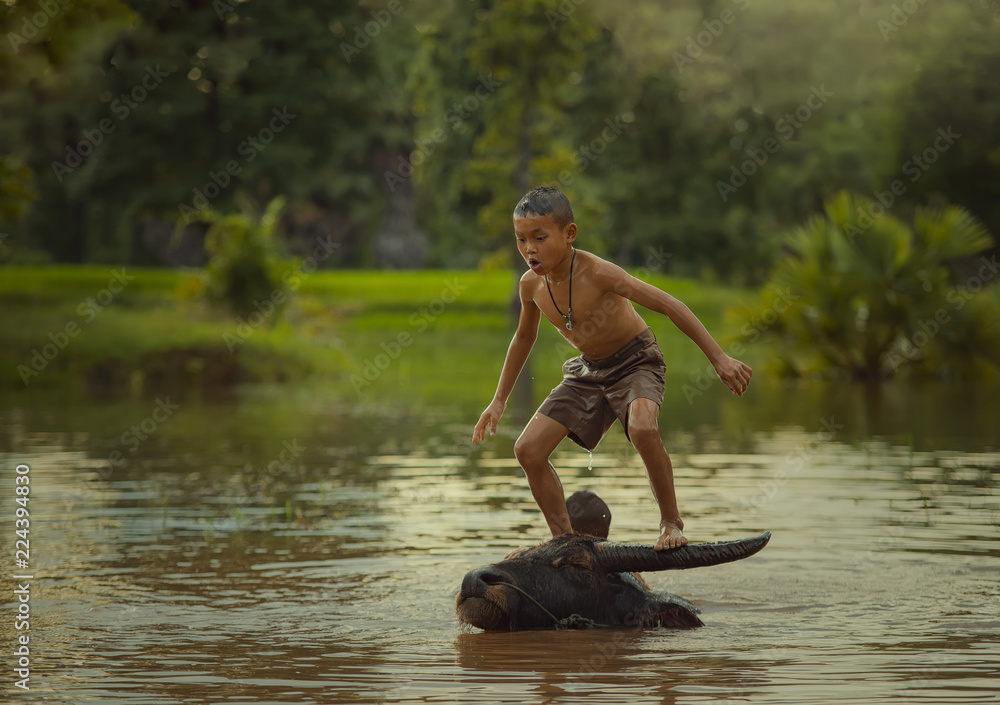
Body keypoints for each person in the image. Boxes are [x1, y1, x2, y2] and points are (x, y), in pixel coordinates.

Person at [472, 186, 752, 551]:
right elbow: (524, 339)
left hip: (636, 362)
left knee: (642, 427)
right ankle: (565, 542)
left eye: (540, 238)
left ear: (569, 234)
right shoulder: (531, 286)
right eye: (521, 239)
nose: (530, 249)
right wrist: (498, 400)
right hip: (588, 371)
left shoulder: (600, 273)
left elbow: (669, 304)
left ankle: (672, 524)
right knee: (527, 449)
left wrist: (719, 358)